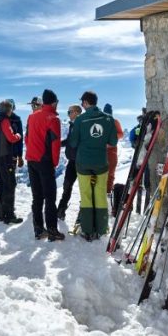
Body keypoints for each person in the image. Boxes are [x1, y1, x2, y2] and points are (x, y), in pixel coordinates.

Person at [70, 90, 117, 240]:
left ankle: (87, 229)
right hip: (101, 163)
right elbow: (113, 142)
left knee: (86, 195)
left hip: (83, 163)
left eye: (82, 103)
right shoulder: (108, 119)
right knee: (100, 193)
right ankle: (102, 228)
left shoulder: (80, 120)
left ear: (85, 102)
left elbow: (73, 142)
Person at [26, 89, 62, 240]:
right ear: (54, 103)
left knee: (37, 196)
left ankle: (39, 229)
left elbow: (27, 139)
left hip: (31, 160)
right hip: (45, 161)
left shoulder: (31, 116)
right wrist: (54, 163)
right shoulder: (53, 119)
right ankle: (52, 230)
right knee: (50, 196)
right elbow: (55, 144)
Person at [0, 99, 23, 224]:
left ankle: (0, 213)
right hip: (6, 158)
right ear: (9, 110)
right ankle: (9, 215)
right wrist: (18, 135)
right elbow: (12, 138)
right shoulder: (5, 121)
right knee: (10, 184)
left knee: (1, 183)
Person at [56, 104, 81, 221]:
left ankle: (82, 216)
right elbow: (70, 140)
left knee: (82, 188)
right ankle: (61, 210)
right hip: (72, 161)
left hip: (81, 162)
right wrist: (59, 144)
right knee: (67, 186)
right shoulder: (72, 125)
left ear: (76, 112)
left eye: (69, 112)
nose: (68, 114)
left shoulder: (81, 124)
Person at [102, 103, 125, 193]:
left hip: (111, 150)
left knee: (110, 173)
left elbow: (121, 134)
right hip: (100, 151)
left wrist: (112, 137)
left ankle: (107, 192)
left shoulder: (115, 122)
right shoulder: (99, 121)